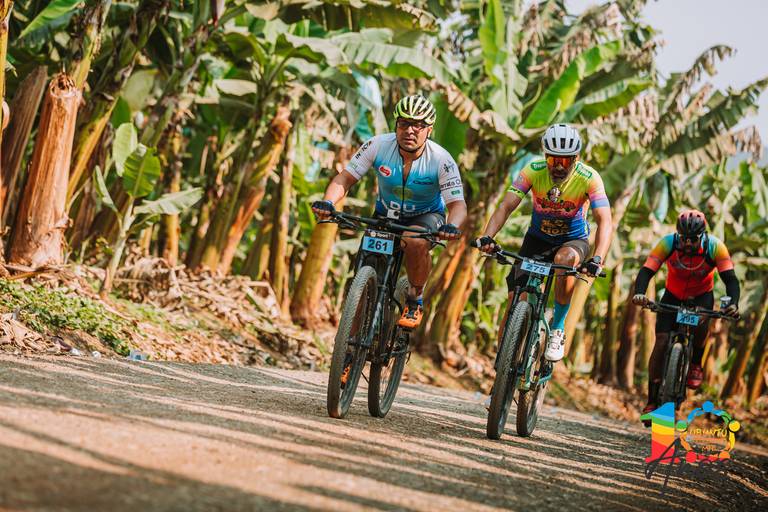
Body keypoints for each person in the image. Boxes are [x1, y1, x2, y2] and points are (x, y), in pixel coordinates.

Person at [312, 94, 467, 329]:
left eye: (418, 125)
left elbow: (457, 205)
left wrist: (452, 226)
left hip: (426, 217)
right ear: (396, 124)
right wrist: (328, 203)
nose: (410, 130)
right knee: (361, 286)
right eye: (404, 123)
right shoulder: (377, 145)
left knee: (413, 241)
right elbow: (345, 178)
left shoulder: (441, 160)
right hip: (386, 215)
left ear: (429, 129)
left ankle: (414, 299)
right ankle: (350, 344)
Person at [475, 123, 612, 362]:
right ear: (544, 156)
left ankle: (557, 328)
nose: (558, 167)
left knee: (564, 260)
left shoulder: (589, 178)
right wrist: (488, 237)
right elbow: (506, 206)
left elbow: (605, 221)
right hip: (537, 240)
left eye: (565, 161)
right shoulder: (533, 170)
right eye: (552, 160)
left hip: (572, 241)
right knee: (514, 302)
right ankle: (502, 368)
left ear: (576, 159)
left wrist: (597, 259)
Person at [632, 210, 740, 416]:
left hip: (702, 296)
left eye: (693, 239)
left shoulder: (715, 247)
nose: (688, 243)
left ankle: (696, 363)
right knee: (661, 341)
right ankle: (652, 400)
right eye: (684, 239)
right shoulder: (668, 243)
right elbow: (647, 270)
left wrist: (733, 304)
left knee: (702, 324)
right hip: (672, 295)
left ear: (702, 236)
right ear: (678, 235)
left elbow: (731, 279)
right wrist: (640, 293)